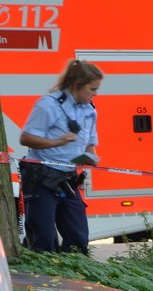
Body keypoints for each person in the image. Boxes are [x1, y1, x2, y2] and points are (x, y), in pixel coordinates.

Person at [19, 59, 103, 253]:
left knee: (79, 239)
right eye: (92, 89)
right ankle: (40, 281)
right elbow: (26, 138)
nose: (95, 94)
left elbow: (90, 143)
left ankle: (73, 280)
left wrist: (91, 157)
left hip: (68, 180)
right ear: (77, 86)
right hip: (42, 179)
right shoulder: (48, 105)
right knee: (44, 239)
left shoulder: (89, 110)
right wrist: (57, 142)